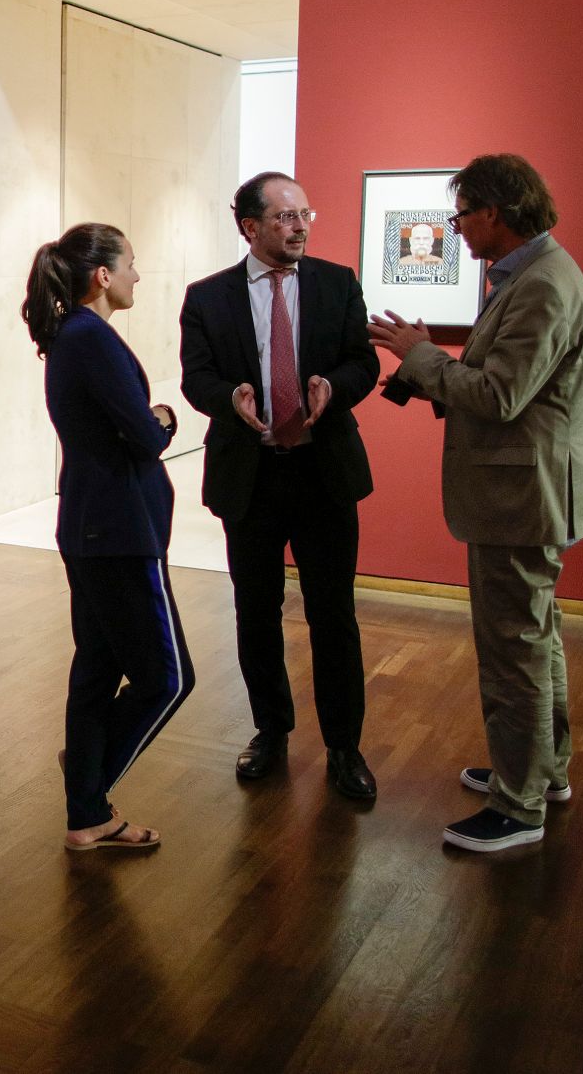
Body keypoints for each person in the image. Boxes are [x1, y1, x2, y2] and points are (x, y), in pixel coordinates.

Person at [368, 153, 583, 853]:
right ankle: (542, 771)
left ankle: (518, 803)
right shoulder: (533, 276)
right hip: (527, 491)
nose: (457, 227)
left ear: (494, 212)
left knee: (514, 646)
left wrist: (419, 356)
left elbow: (501, 395)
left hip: (521, 496)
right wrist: (431, 366)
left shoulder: (541, 286)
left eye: (462, 213)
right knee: (534, 632)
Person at [179, 173, 381, 799]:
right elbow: (196, 377)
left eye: (305, 214)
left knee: (333, 615)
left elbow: (363, 362)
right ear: (251, 227)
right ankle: (271, 730)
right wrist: (226, 397)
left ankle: (345, 747)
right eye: (287, 217)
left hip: (323, 474)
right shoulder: (207, 297)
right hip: (252, 479)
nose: (301, 226)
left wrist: (334, 386)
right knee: (255, 613)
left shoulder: (336, 283)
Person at [23, 222, 195, 851]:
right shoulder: (90, 337)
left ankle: (86, 818)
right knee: (168, 678)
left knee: (97, 669)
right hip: (119, 531)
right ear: (103, 275)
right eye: (131, 264)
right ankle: (89, 786)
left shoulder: (74, 335)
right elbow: (146, 437)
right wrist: (166, 417)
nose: (137, 275)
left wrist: (144, 423)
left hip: (96, 525)